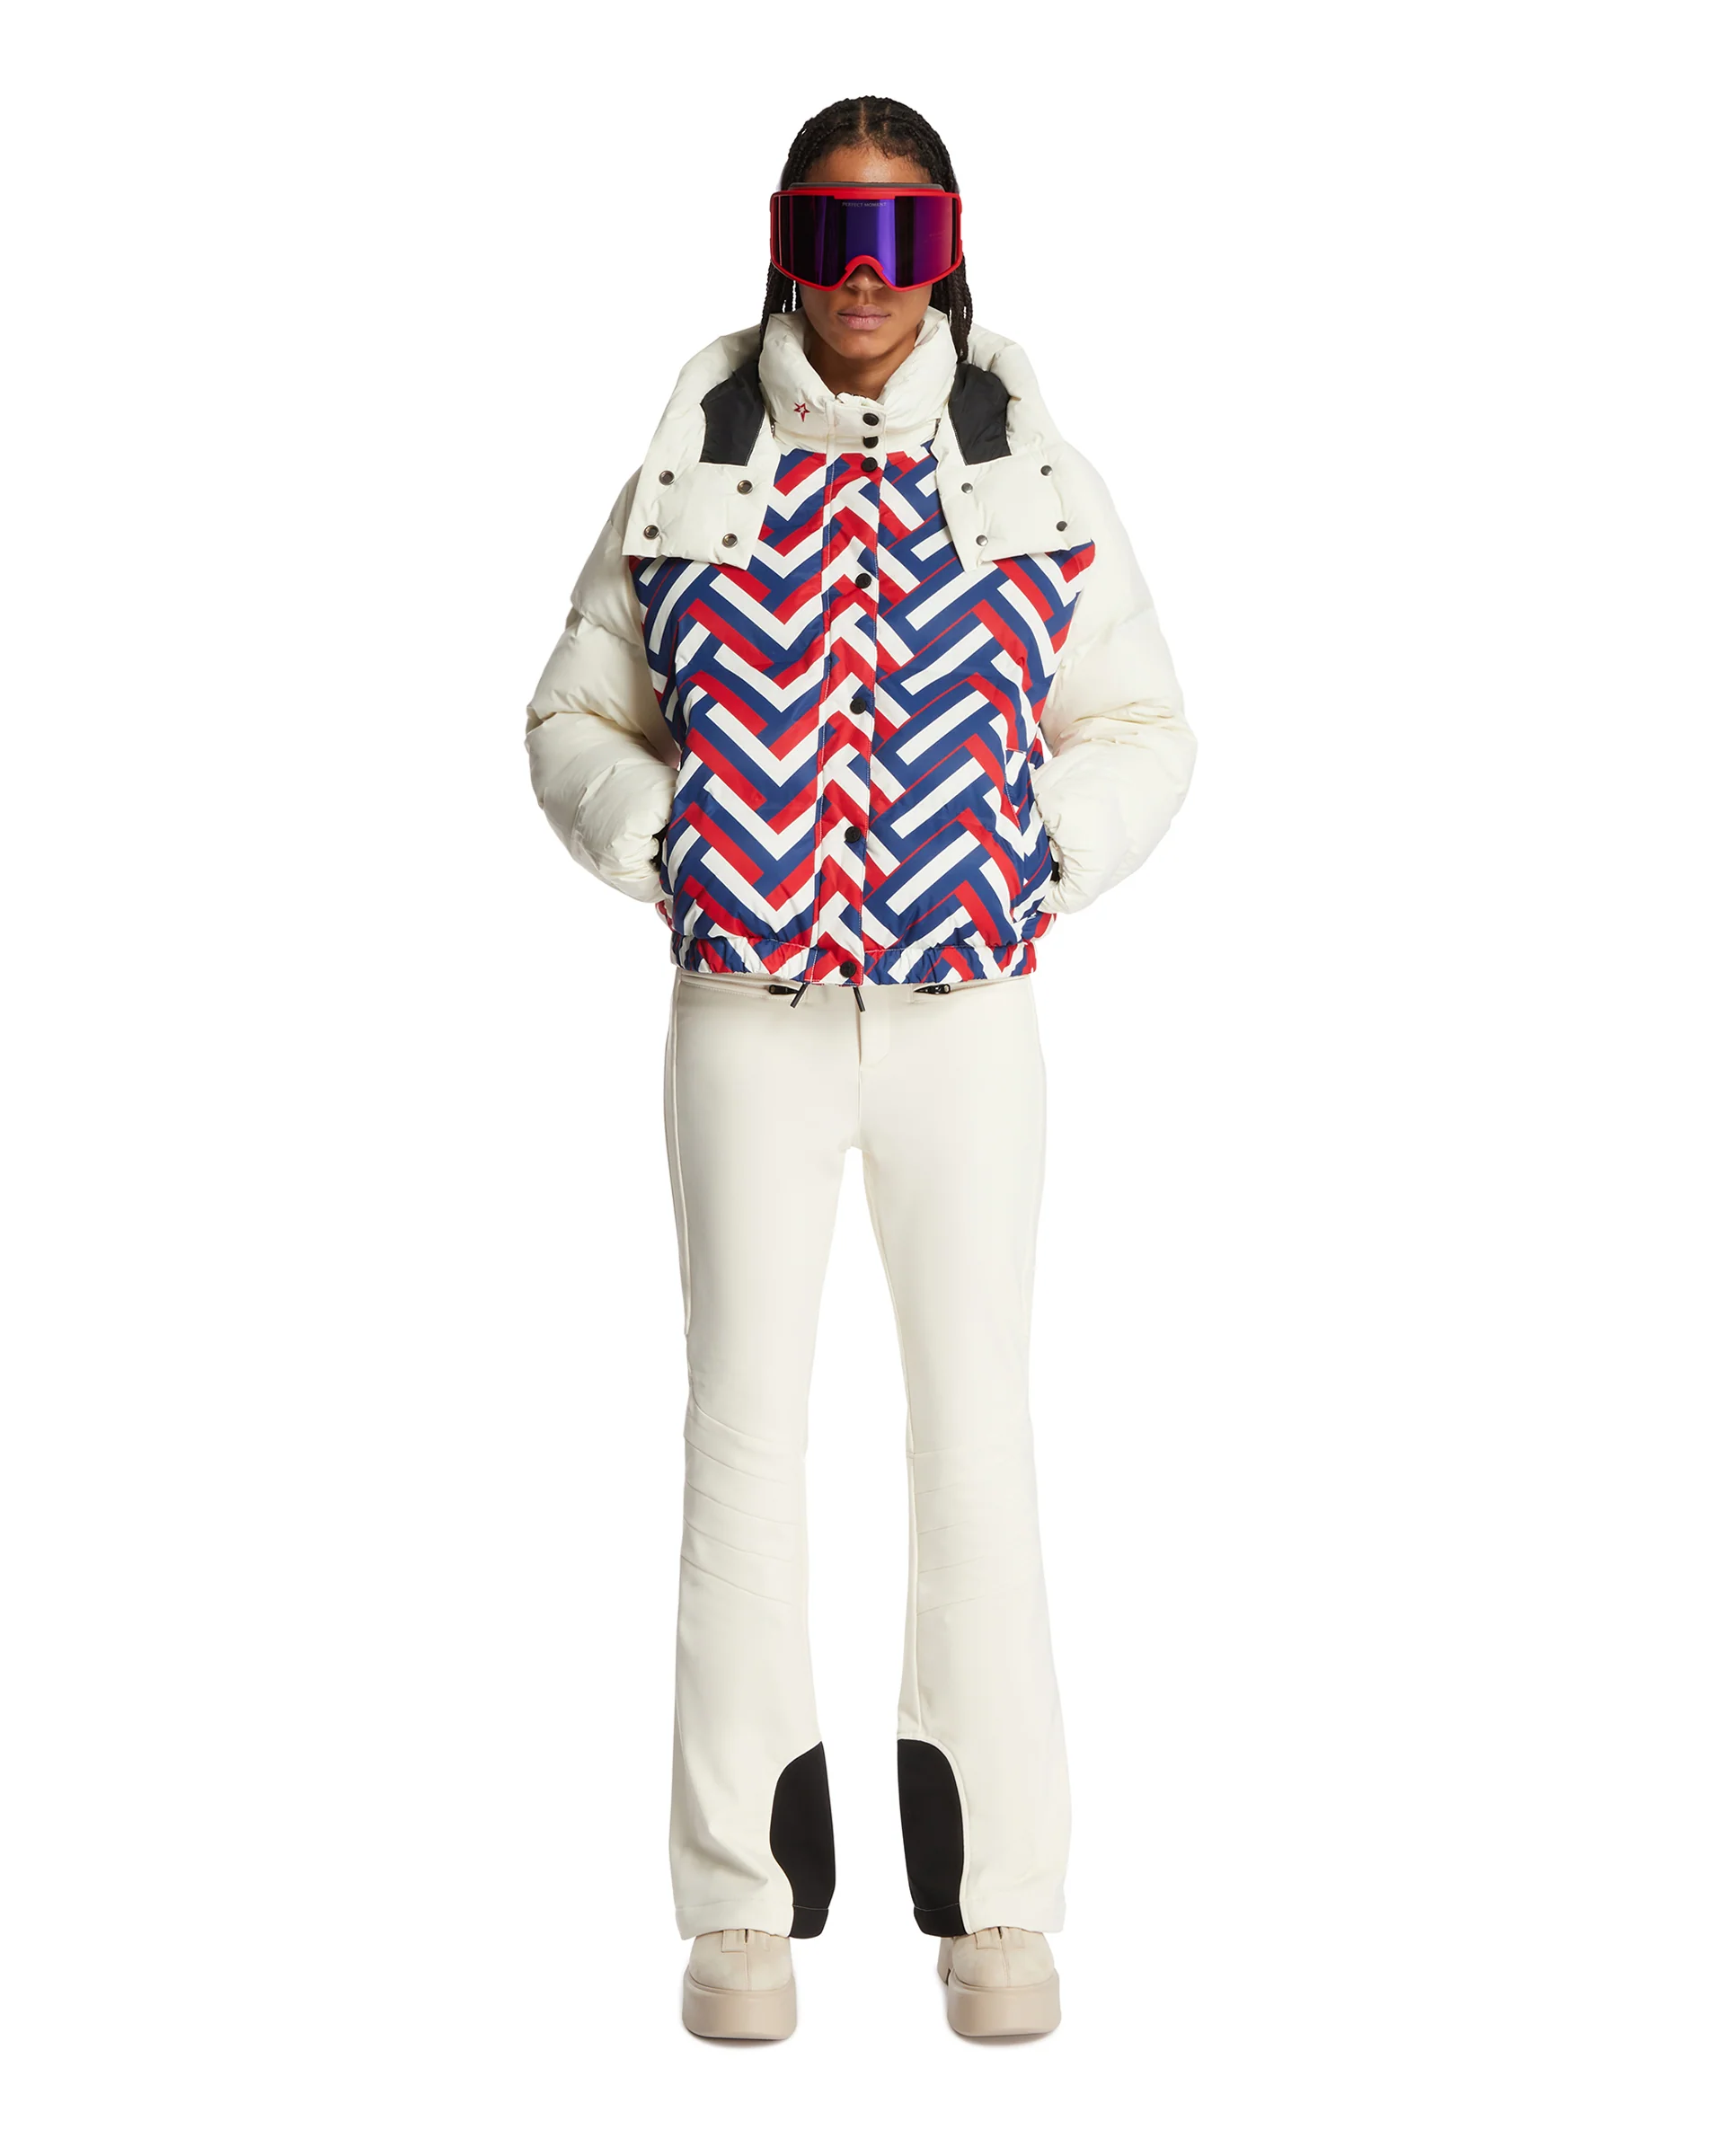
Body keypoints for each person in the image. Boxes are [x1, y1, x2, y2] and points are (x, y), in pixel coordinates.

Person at [524, 95, 1196, 2040]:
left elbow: (1147, 721)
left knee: (975, 1434)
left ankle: (1000, 1904)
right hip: (747, 1020)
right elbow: (569, 712)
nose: (865, 281)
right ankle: (741, 1907)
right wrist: (666, 839)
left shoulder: (1027, 467)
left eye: (902, 240)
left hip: (966, 1021)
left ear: (951, 250)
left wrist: (1039, 848)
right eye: (833, 233)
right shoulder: (692, 463)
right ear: (784, 243)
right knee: (743, 1437)